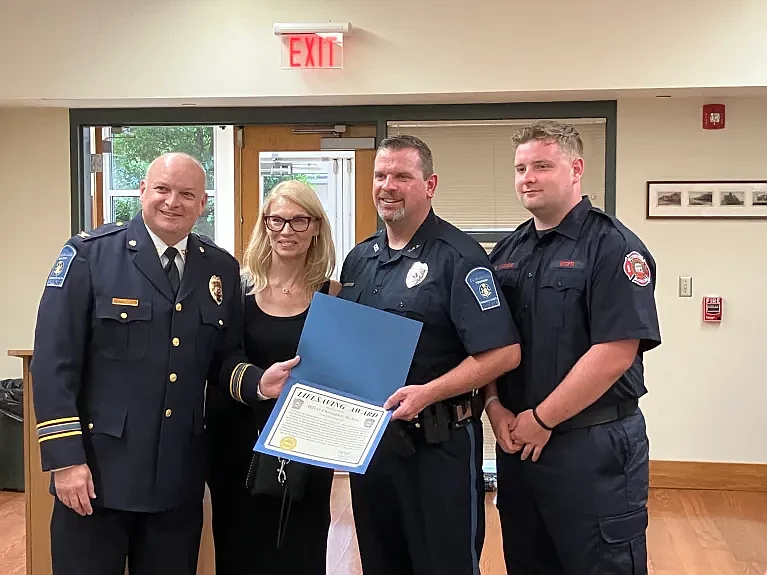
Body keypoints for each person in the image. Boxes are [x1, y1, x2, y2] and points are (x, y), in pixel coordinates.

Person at [30, 152, 297, 575]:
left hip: (177, 480)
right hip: (98, 476)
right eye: (163, 190)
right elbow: (53, 365)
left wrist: (258, 383)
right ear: (143, 191)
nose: (173, 202)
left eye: (187, 194)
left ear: (202, 203)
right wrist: (66, 461)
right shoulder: (90, 256)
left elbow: (224, 359)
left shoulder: (220, 268)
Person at [338, 135, 522, 575]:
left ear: (430, 184)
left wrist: (427, 392)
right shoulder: (359, 258)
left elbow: (503, 354)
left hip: (439, 445)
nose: (388, 185)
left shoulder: (460, 258)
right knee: (381, 561)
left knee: (444, 565)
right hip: (374, 444)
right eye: (380, 176)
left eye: (402, 175)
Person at [485, 120, 661, 575]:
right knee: (527, 560)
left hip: (592, 447)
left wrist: (544, 418)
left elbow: (615, 351)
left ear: (576, 168)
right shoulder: (508, 252)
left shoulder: (614, 247)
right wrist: (494, 405)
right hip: (520, 444)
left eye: (542, 165)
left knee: (601, 564)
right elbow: (491, 343)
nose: (528, 177)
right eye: (521, 167)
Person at [206, 180, 341, 574]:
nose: (287, 231)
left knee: (302, 550)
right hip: (238, 446)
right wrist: (259, 383)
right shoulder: (235, 292)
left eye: (300, 220)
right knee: (240, 551)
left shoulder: (334, 294)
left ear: (316, 227)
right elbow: (217, 362)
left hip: (305, 448)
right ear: (265, 225)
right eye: (277, 220)